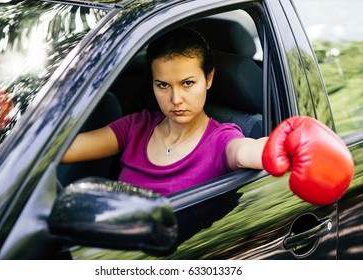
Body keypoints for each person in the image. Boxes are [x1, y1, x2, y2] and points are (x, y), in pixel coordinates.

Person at [62, 26, 354, 204]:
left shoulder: (221, 139)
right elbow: (61, 150)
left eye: (188, 83)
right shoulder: (136, 126)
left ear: (209, 79)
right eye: (162, 85)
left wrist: (287, 147)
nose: (176, 99)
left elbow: (246, 151)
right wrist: (15, 122)